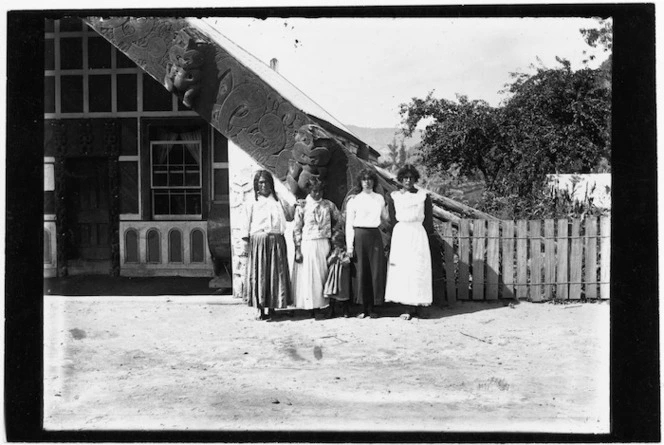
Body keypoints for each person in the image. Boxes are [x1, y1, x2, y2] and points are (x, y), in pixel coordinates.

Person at [242, 170, 295, 321]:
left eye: (266, 182)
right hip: (259, 241)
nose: (263, 185)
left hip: (276, 241)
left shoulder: (278, 200)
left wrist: (296, 205)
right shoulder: (252, 201)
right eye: (260, 183)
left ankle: (272, 308)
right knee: (260, 274)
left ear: (271, 183)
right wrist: (245, 243)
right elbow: (245, 223)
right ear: (256, 185)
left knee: (274, 274)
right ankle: (260, 308)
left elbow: (290, 216)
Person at [384, 164, 434, 319]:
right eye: (405, 178)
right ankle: (406, 307)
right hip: (401, 235)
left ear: (415, 179)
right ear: (400, 179)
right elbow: (392, 219)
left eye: (411, 178)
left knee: (418, 269)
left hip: (418, 233)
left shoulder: (423, 196)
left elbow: (428, 220)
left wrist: (422, 232)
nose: (408, 180)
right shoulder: (395, 197)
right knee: (404, 270)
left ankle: (420, 304)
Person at [291, 177, 342, 319]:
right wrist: (298, 248)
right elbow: (297, 228)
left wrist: (334, 239)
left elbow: (339, 221)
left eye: (320, 191)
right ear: (309, 190)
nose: (317, 194)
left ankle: (323, 306)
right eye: (314, 191)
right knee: (309, 276)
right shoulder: (302, 206)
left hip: (324, 242)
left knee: (323, 275)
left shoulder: (328, 205)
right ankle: (310, 307)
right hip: (308, 243)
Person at [345, 168, 388, 318]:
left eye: (370, 179)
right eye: (364, 179)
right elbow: (349, 224)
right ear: (360, 182)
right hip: (359, 236)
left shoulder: (379, 199)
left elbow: (385, 219)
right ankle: (361, 308)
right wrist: (350, 246)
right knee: (361, 271)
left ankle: (373, 308)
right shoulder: (354, 200)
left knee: (375, 271)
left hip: (374, 236)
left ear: (374, 182)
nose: (367, 182)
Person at [323, 232, 352, 318]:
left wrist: (343, 260)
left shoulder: (346, 251)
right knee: (332, 293)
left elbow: (348, 262)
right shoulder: (333, 252)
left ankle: (345, 310)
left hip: (343, 276)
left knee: (344, 293)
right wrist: (334, 257)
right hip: (333, 275)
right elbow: (328, 262)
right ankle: (331, 310)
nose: (336, 246)